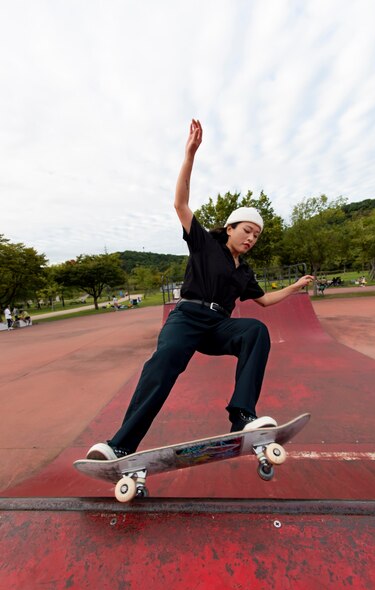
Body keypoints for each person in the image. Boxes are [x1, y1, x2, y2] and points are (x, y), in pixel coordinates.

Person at [86, 120, 313, 460]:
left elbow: (264, 301)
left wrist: (295, 287)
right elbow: (180, 204)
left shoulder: (245, 271)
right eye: (247, 231)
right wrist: (190, 154)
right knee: (162, 365)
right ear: (231, 227)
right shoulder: (206, 244)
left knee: (255, 330)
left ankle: (243, 416)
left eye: (256, 236)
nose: (251, 239)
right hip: (188, 317)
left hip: (219, 327)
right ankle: (120, 444)